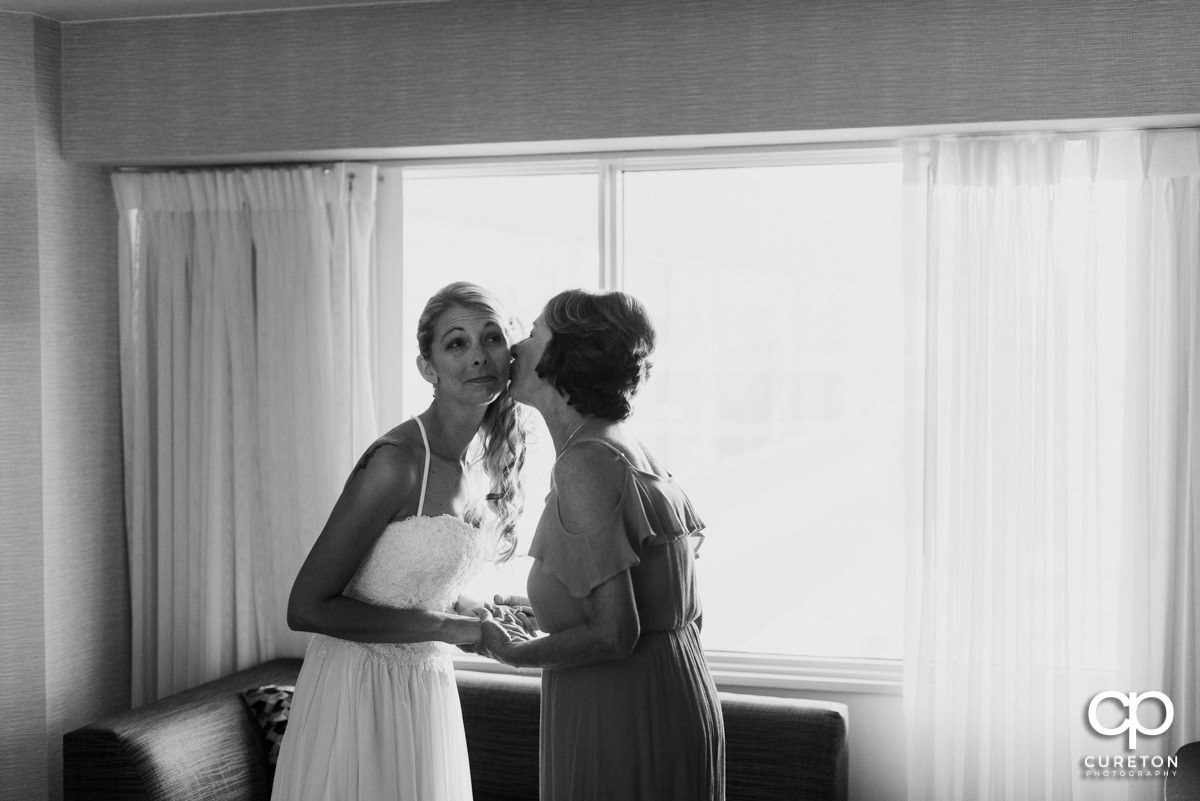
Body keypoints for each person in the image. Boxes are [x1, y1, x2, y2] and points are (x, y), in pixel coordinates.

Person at [272, 281, 529, 801]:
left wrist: (480, 614)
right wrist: (460, 631)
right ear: (427, 368)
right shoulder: (397, 462)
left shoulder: (473, 467)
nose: (478, 356)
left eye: (492, 338)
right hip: (356, 694)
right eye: (457, 343)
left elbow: (408, 582)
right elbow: (305, 607)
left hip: (424, 691)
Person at [479, 288, 726, 801]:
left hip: (621, 711)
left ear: (563, 361)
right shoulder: (623, 444)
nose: (518, 347)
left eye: (535, 332)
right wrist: (546, 611)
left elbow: (616, 633)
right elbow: (658, 602)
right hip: (671, 696)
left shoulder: (584, 462)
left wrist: (511, 652)